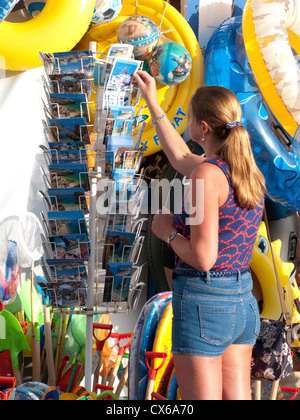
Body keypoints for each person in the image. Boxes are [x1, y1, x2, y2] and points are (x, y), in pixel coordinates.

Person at [133, 70, 266, 400]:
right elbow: (179, 157)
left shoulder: (206, 176)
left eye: (189, 117)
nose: (187, 124)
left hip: (205, 301)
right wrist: (153, 101)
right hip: (241, 300)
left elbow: (204, 258)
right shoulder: (246, 172)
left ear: (202, 128)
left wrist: (167, 233)